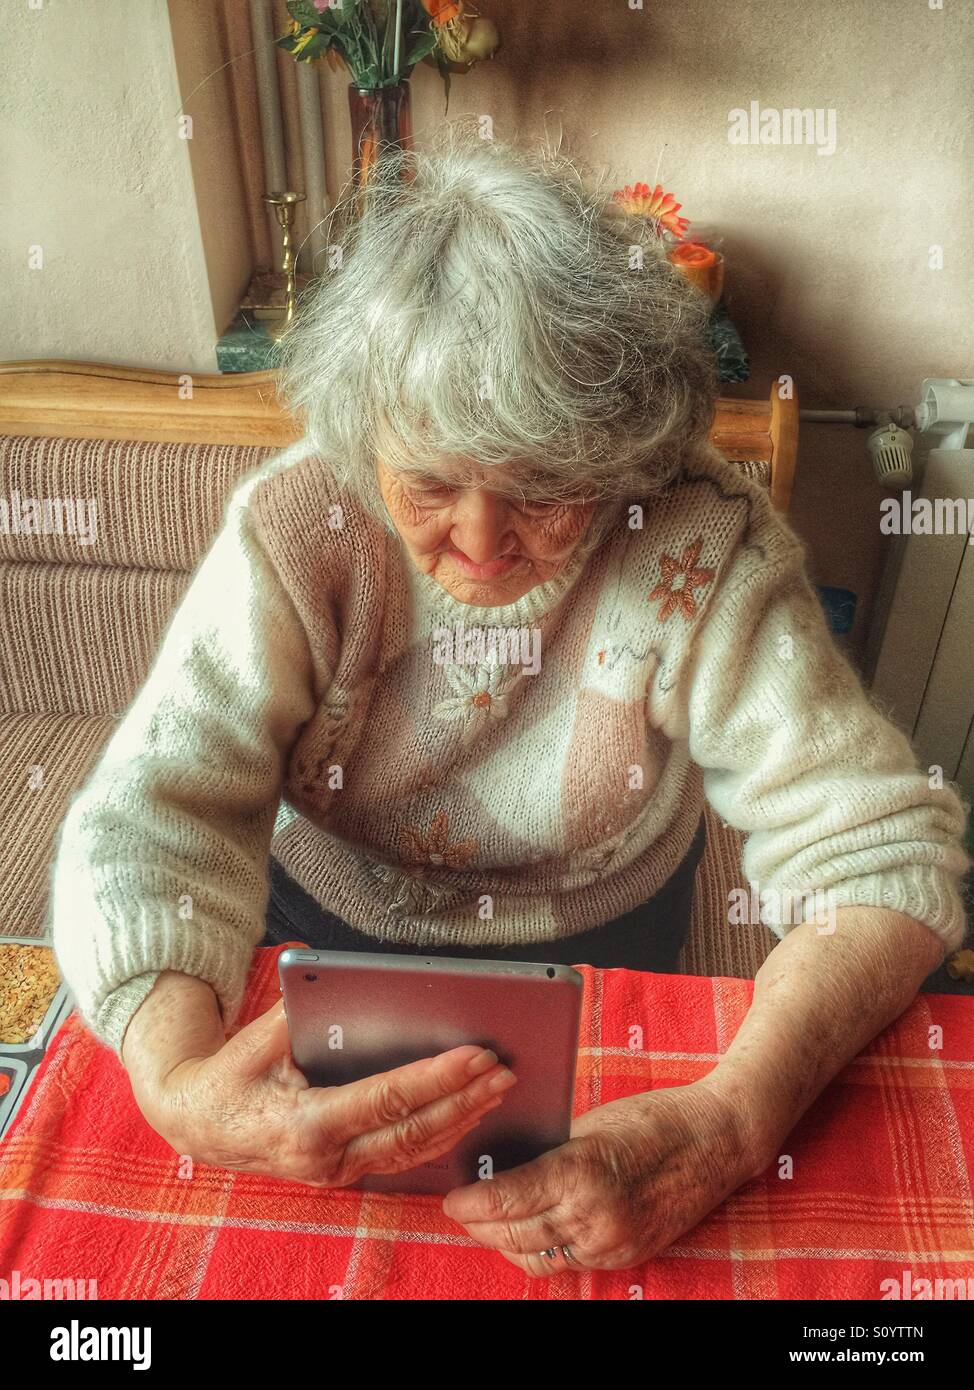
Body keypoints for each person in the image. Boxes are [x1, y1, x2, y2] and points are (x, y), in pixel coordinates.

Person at [51, 127, 971, 1277]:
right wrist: (180, 1083)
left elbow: (880, 854)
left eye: (545, 485)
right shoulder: (300, 526)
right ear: (362, 434)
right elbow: (152, 816)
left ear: (624, 452)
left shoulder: (694, 540)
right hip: (318, 936)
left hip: (601, 942)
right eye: (430, 481)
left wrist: (734, 1121)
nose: (480, 543)